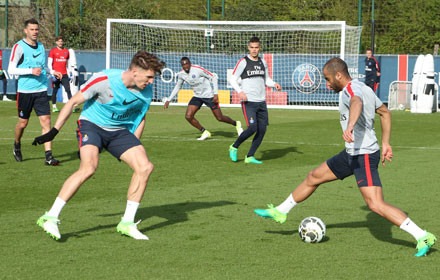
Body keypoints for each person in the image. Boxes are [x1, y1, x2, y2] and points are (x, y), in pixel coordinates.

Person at [254, 57, 436, 257]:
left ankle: (422, 235)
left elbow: (356, 103)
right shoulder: (364, 87)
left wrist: (350, 126)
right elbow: (385, 112)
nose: (327, 83)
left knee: (375, 204)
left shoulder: (352, 91)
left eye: (328, 79)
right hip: (352, 152)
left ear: (339, 75)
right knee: (314, 176)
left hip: (363, 155)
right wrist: (386, 143)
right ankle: (280, 211)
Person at [33, 50, 165, 241]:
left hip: (119, 131)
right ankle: (50, 217)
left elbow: (140, 116)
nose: (151, 81)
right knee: (88, 168)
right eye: (149, 76)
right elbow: (73, 102)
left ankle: (127, 223)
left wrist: (135, 143)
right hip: (91, 125)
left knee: (144, 167)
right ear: (135, 71)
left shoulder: (146, 91)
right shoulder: (105, 79)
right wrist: (54, 131)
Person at [8, 18, 60, 165]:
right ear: (26, 31)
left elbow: (42, 67)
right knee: (23, 124)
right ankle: (17, 144)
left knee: (46, 121)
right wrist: (30, 71)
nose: (35, 32)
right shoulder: (19, 47)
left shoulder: (41, 46)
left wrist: (53, 71)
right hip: (25, 91)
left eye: (36, 29)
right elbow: (11, 69)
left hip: (42, 89)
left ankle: (48, 156)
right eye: (32, 29)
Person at [228, 36, 282, 164]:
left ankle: (250, 156)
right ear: (248, 47)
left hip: (261, 102)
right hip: (249, 102)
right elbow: (232, 79)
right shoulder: (243, 62)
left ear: (259, 48)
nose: (254, 50)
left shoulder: (263, 62)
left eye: (256, 47)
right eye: (252, 47)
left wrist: (274, 84)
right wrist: (240, 92)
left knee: (262, 130)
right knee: (252, 127)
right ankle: (234, 146)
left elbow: (266, 80)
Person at [164, 57, 243, 140]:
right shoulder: (181, 74)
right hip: (197, 96)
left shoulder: (198, 69)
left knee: (219, 118)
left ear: (190, 63)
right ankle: (205, 132)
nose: (185, 66)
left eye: (187, 64)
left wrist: (215, 94)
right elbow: (178, 86)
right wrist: (169, 99)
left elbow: (214, 77)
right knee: (188, 116)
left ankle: (237, 124)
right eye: (183, 65)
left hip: (209, 96)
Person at [48, 35, 78, 113]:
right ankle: (54, 107)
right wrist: (53, 73)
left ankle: (72, 106)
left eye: (61, 41)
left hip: (64, 74)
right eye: (59, 41)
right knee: (55, 90)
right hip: (56, 75)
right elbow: (49, 64)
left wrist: (69, 72)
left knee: (68, 90)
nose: (60, 42)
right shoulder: (53, 51)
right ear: (56, 42)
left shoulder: (66, 51)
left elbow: (67, 63)